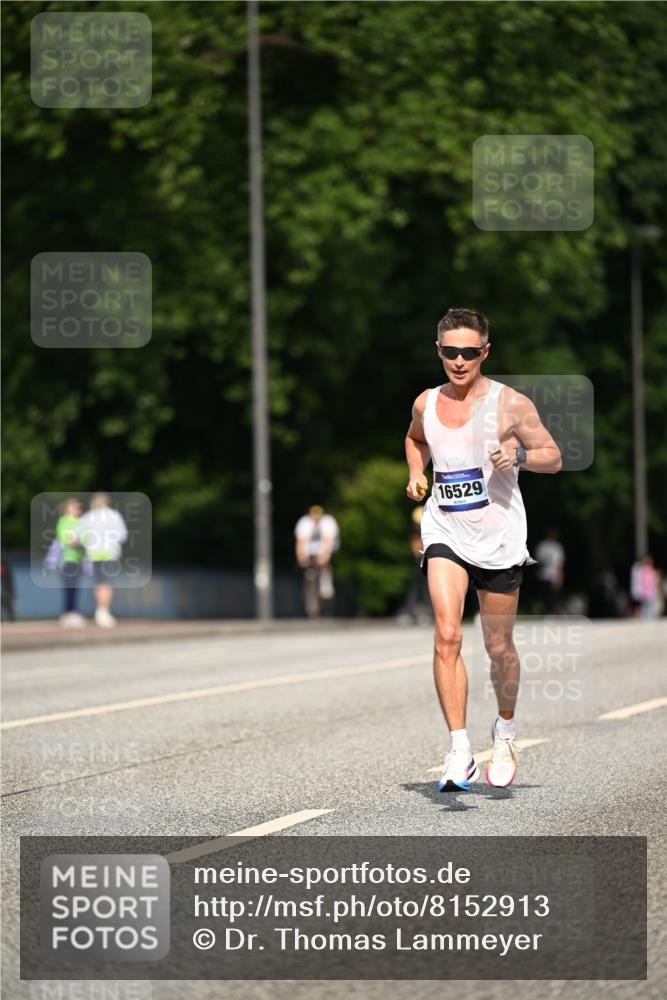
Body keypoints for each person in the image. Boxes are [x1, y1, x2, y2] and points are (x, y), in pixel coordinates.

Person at [405, 307, 562, 792]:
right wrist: (415, 472)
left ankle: (506, 733)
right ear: (438, 351)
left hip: (498, 538)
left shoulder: (510, 404)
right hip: (446, 530)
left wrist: (519, 454)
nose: (459, 360)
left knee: (498, 647)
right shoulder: (426, 403)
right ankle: (459, 749)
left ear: (485, 352)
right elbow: (415, 440)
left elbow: (553, 457)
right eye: (451, 351)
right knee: (447, 634)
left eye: (469, 352)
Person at [76, 493, 127, 628]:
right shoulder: (114, 515)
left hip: (94, 554)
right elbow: (122, 535)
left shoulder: (87, 517)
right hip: (110, 553)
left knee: (99, 584)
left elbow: (79, 536)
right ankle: (103, 611)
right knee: (107, 584)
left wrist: (88, 543)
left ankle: (101, 610)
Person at [294, 505, 340, 618]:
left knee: (325, 566)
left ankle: (326, 585)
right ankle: (310, 600)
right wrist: (301, 557)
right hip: (310, 550)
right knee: (308, 570)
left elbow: (328, 540)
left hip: (327, 547)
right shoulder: (304, 523)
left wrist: (325, 556)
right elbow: (301, 541)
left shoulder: (328, 522)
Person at [55, 497, 85, 628]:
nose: (77, 509)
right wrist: (76, 541)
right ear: (67, 509)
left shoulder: (81, 522)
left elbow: (86, 538)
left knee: (75, 587)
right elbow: (65, 538)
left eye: (78, 507)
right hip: (66, 560)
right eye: (74, 507)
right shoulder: (63, 521)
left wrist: (80, 542)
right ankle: (68, 613)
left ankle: (72, 613)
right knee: (69, 587)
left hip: (78, 560)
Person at [534, 527, 565, 614]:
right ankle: (544, 613)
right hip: (543, 576)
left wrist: (559, 577)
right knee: (543, 598)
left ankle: (552, 614)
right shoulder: (542, 546)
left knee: (553, 598)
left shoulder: (557, 546)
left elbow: (560, 563)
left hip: (553, 576)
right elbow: (538, 560)